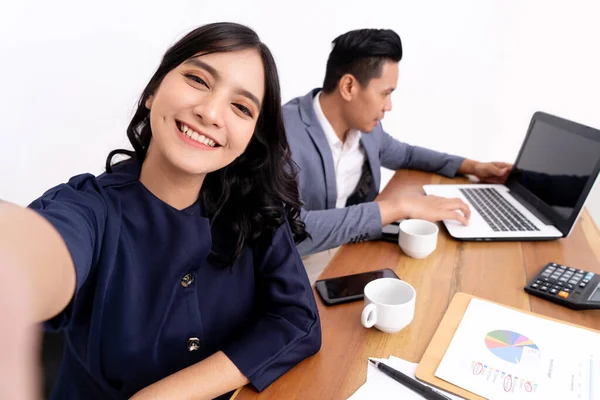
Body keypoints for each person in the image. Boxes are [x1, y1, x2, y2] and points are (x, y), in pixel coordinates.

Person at [0, 22, 321, 400]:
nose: (211, 112)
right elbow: (29, 252)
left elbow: (297, 319)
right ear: (153, 91)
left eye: (240, 107)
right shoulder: (90, 209)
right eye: (198, 80)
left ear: (251, 136)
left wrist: (163, 395)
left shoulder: (256, 208)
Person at [282, 28, 511, 279]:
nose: (388, 106)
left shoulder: (366, 130)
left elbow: (406, 154)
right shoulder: (282, 135)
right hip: (297, 265)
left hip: (351, 248)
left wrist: (474, 167)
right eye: (385, 93)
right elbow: (293, 231)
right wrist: (399, 207)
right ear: (349, 86)